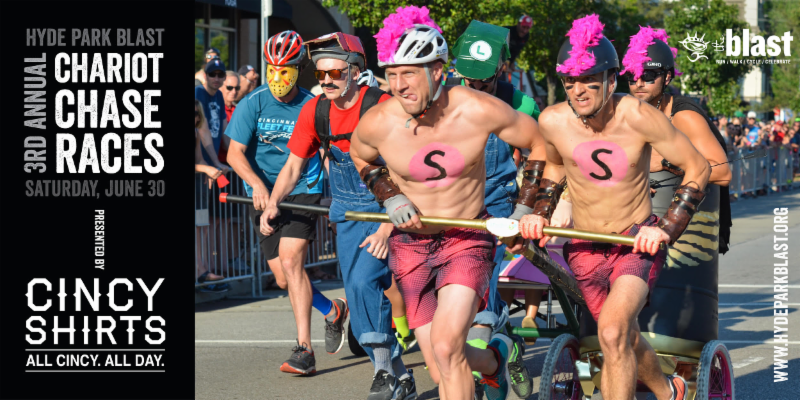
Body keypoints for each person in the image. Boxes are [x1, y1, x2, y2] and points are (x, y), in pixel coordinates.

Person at [352, 7, 544, 400]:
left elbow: (540, 143)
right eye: (391, 73)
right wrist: (391, 194)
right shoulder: (378, 121)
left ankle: (489, 359)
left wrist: (526, 209)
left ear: (438, 71)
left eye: (409, 73)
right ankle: (494, 359)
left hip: (465, 238)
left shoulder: (477, 108)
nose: (398, 84)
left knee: (445, 345)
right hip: (410, 246)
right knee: (442, 370)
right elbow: (361, 157)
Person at [517, 15, 710, 400]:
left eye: (588, 80)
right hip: (582, 247)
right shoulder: (552, 120)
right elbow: (554, 167)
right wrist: (539, 211)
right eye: (570, 81)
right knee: (622, 334)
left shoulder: (638, 116)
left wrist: (666, 228)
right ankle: (668, 389)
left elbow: (698, 166)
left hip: (634, 242)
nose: (578, 91)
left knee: (611, 332)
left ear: (610, 79)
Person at [263, 31, 417, 400]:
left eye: (335, 73)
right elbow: (294, 164)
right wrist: (273, 201)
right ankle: (401, 375)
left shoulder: (381, 106)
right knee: (357, 290)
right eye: (321, 75)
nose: (327, 81)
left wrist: (386, 224)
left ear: (355, 70)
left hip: (389, 208)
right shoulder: (315, 110)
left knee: (364, 283)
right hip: (347, 212)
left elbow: (407, 169)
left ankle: (382, 372)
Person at [225, 31, 348, 376]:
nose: (278, 78)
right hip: (264, 191)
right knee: (282, 277)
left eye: (286, 70)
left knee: (293, 261)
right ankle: (333, 310)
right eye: (272, 70)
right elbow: (235, 153)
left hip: (303, 188)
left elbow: (325, 155)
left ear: (298, 70)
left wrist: (338, 192)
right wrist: (256, 186)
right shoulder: (255, 101)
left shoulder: (313, 104)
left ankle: (303, 350)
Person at [448, 19, 542, 399]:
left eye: (483, 81)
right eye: (468, 79)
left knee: (479, 296)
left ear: (501, 68)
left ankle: (493, 353)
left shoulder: (521, 104)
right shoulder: (446, 99)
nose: (475, 87)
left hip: (497, 208)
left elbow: (543, 157)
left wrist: (528, 208)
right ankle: (502, 351)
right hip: (450, 207)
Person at [621, 26, 733, 253]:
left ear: (667, 77)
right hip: (644, 221)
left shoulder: (684, 116)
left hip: (688, 228)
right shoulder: (631, 111)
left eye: (649, 75)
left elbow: (722, 173)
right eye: (633, 76)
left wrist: (664, 164)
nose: (639, 83)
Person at [195, 100, 228, 292]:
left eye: (197, 113)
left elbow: (198, 159)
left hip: (198, 188)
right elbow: (200, 164)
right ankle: (199, 271)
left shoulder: (196, 132)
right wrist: (205, 168)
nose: (196, 117)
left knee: (202, 228)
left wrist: (208, 169)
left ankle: (203, 270)